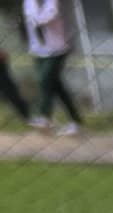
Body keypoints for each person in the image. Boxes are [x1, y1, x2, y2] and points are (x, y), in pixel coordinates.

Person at [24, 0, 85, 136]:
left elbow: (48, 17)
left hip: (57, 48)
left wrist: (36, 19)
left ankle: (45, 117)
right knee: (56, 87)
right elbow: (30, 17)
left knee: (44, 81)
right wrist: (35, 19)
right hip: (38, 50)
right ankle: (75, 121)